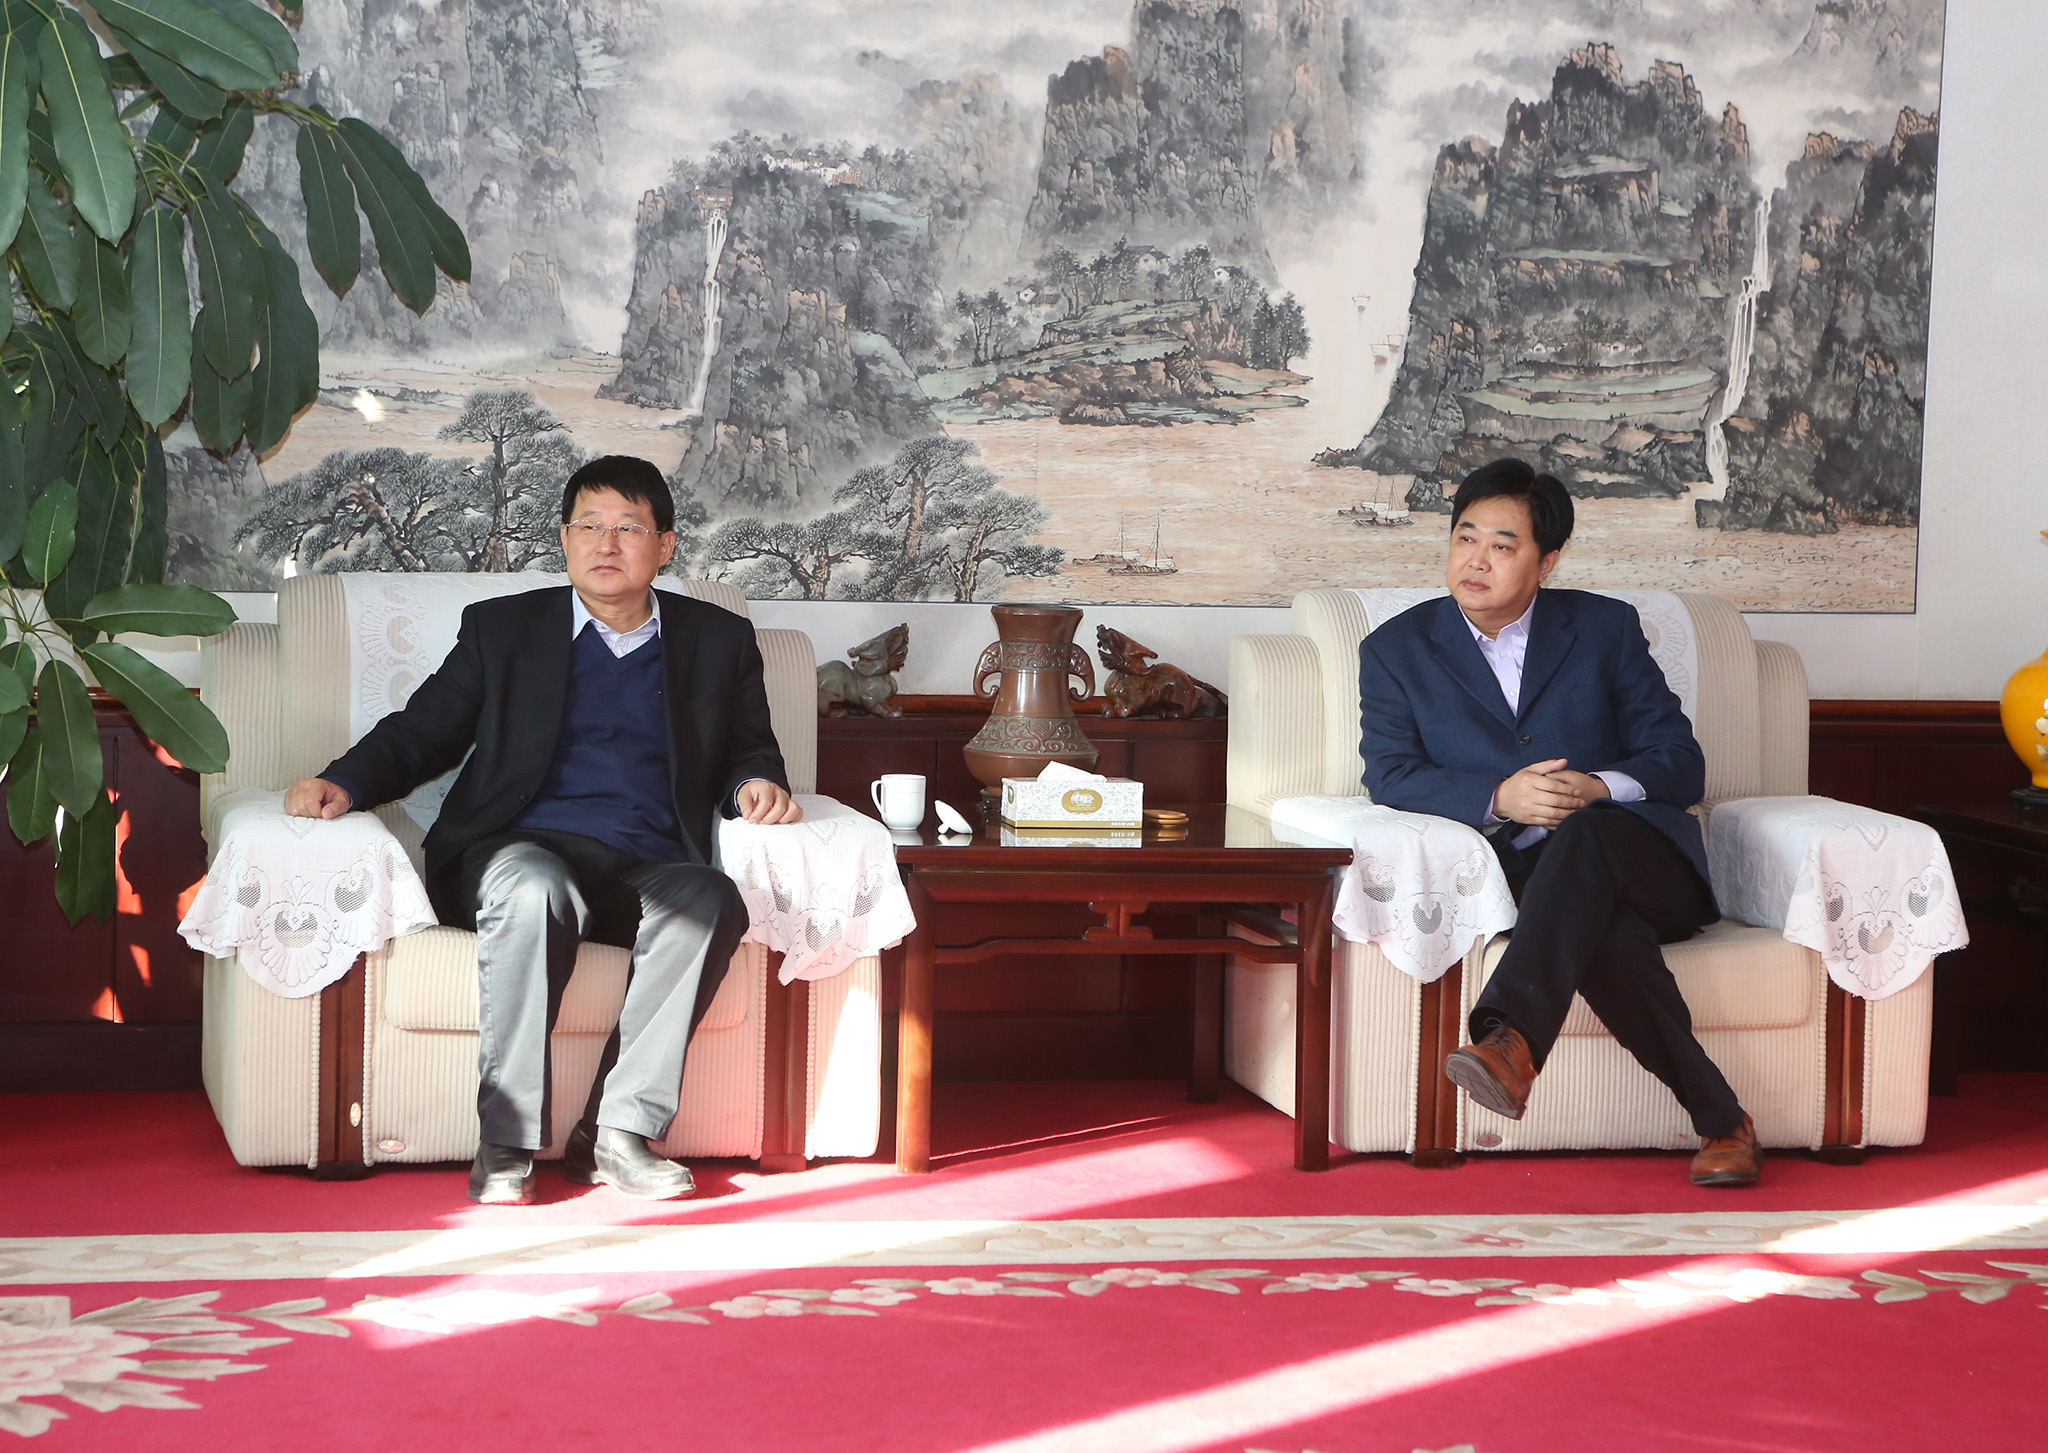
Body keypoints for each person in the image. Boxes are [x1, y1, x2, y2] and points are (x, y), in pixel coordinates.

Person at [283, 456, 802, 1205]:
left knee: (711, 898)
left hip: (643, 865)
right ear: (563, 539)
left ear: (665, 545)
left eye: (628, 528)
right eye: (588, 525)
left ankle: (619, 1133)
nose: (605, 544)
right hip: (514, 850)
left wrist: (756, 782)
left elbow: (751, 747)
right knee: (534, 885)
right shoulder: (505, 630)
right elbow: (424, 731)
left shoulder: (718, 640)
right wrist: (346, 781)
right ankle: (506, 1139)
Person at [1356, 458, 1761, 1187]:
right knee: (1603, 933)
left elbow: (1680, 762)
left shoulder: (1604, 629)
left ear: (1547, 561)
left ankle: (1509, 1038)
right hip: (1530, 882)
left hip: (1645, 867)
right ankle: (1723, 1122)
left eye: (1502, 545)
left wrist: (1598, 787)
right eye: (1465, 537)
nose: (1475, 560)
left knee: (1590, 831)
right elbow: (1390, 773)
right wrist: (1499, 796)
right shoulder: (1395, 650)